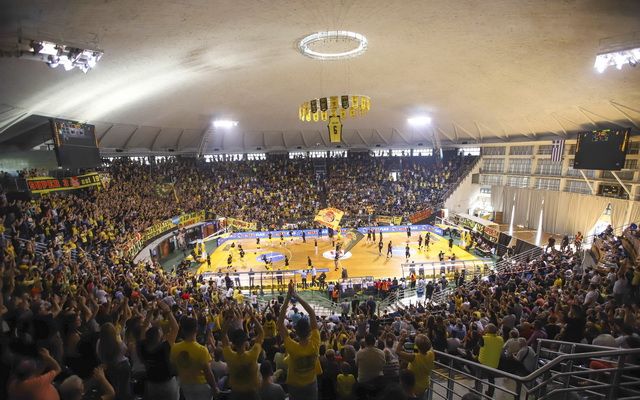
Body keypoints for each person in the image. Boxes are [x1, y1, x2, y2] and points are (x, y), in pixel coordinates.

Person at [277, 282, 322, 400]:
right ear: (309, 330)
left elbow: (280, 324)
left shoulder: (292, 347)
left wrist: (288, 297)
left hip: (295, 385)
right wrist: (296, 296)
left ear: (296, 331)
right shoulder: (315, 342)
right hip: (311, 383)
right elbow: (311, 313)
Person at [139, 300, 180, 400]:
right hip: (167, 385)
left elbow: (144, 327)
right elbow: (175, 328)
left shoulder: (143, 347)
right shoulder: (164, 347)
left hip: (152, 385)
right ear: (159, 338)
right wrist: (167, 310)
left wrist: (150, 312)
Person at [170, 317, 218, 400]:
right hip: (202, 386)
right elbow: (208, 373)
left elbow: (174, 367)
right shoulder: (202, 350)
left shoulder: (175, 348)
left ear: (183, 330)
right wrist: (215, 388)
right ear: (196, 329)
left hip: (185, 385)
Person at [221, 306, 264, 400]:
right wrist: (252, 316)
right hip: (252, 394)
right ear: (245, 342)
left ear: (233, 343)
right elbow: (261, 332)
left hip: (235, 395)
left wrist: (229, 318)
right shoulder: (253, 354)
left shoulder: (229, 355)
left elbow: (223, 335)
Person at [396, 333, 435, 398]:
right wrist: (420, 338)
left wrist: (402, 339)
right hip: (424, 385)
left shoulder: (414, 357)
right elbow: (422, 348)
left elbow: (398, 351)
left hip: (413, 388)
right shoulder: (431, 353)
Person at [474, 324, 503, 397]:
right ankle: (490, 393)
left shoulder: (483, 338)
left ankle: (477, 389)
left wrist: (482, 334)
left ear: (487, 330)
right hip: (494, 363)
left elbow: (477, 347)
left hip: (483, 362)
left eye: (486, 328)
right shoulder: (500, 339)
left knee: (478, 376)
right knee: (491, 379)